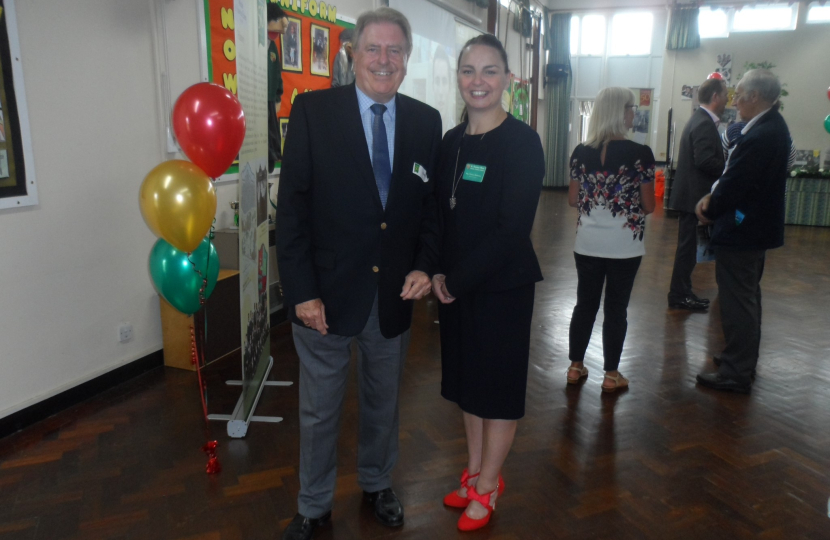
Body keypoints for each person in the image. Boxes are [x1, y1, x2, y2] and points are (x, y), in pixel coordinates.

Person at [275, 7, 442, 540]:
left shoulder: (424, 121)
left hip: (391, 294)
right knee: (319, 411)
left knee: (382, 403)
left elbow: (431, 211)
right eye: (373, 48)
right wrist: (301, 292)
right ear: (352, 53)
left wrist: (423, 263)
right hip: (323, 296)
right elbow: (293, 212)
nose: (384, 60)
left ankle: (376, 483)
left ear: (407, 59)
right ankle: (313, 504)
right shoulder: (312, 112)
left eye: (395, 50)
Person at [432, 34, 544, 532]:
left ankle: (490, 484)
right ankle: (473, 471)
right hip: (454, 286)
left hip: (502, 288)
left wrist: (455, 279)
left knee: (495, 390)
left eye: (489, 71)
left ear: (507, 79)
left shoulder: (521, 142)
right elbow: (438, 216)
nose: (478, 81)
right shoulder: (451, 143)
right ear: (458, 77)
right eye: (468, 70)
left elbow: (511, 228)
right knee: (467, 386)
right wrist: (436, 270)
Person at [694, 69, 791, 394]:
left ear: (754, 97)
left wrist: (709, 209)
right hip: (750, 226)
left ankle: (737, 371)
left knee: (738, 300)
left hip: (743, 228)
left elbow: (736, 184)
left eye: (739, 95)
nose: (734, 101)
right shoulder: (770, 126)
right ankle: (740, 358)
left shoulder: (762, 134)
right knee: (746, 297)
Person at [565, 87, 656, 392]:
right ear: (620, 111)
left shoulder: (580, 152)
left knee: (584, 306)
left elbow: (573, 199)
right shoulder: (641, 154)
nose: (634, 113)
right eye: (631, 107)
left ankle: (575, 367)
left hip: (587, 243)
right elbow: (649, 206)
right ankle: (611, 375)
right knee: (616, 309)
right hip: (624, 247)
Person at [667, 78, 727, 311]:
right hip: (694, 199)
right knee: (687, 249)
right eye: (724, 96)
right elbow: (703, 160)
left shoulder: (699, 119)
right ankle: (679, 295)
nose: (727, 100)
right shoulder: (703, 123)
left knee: (689, 249)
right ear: (715, 97)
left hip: (692, 197)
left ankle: (682, 292)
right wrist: (730, 169)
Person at [267, 3, 288, 171]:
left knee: (273, 134)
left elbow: (277, 73)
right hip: (258, 99)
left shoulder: (273, 47)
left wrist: (277, 96)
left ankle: (273, 156)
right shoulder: (258, 45)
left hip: (269, 99)